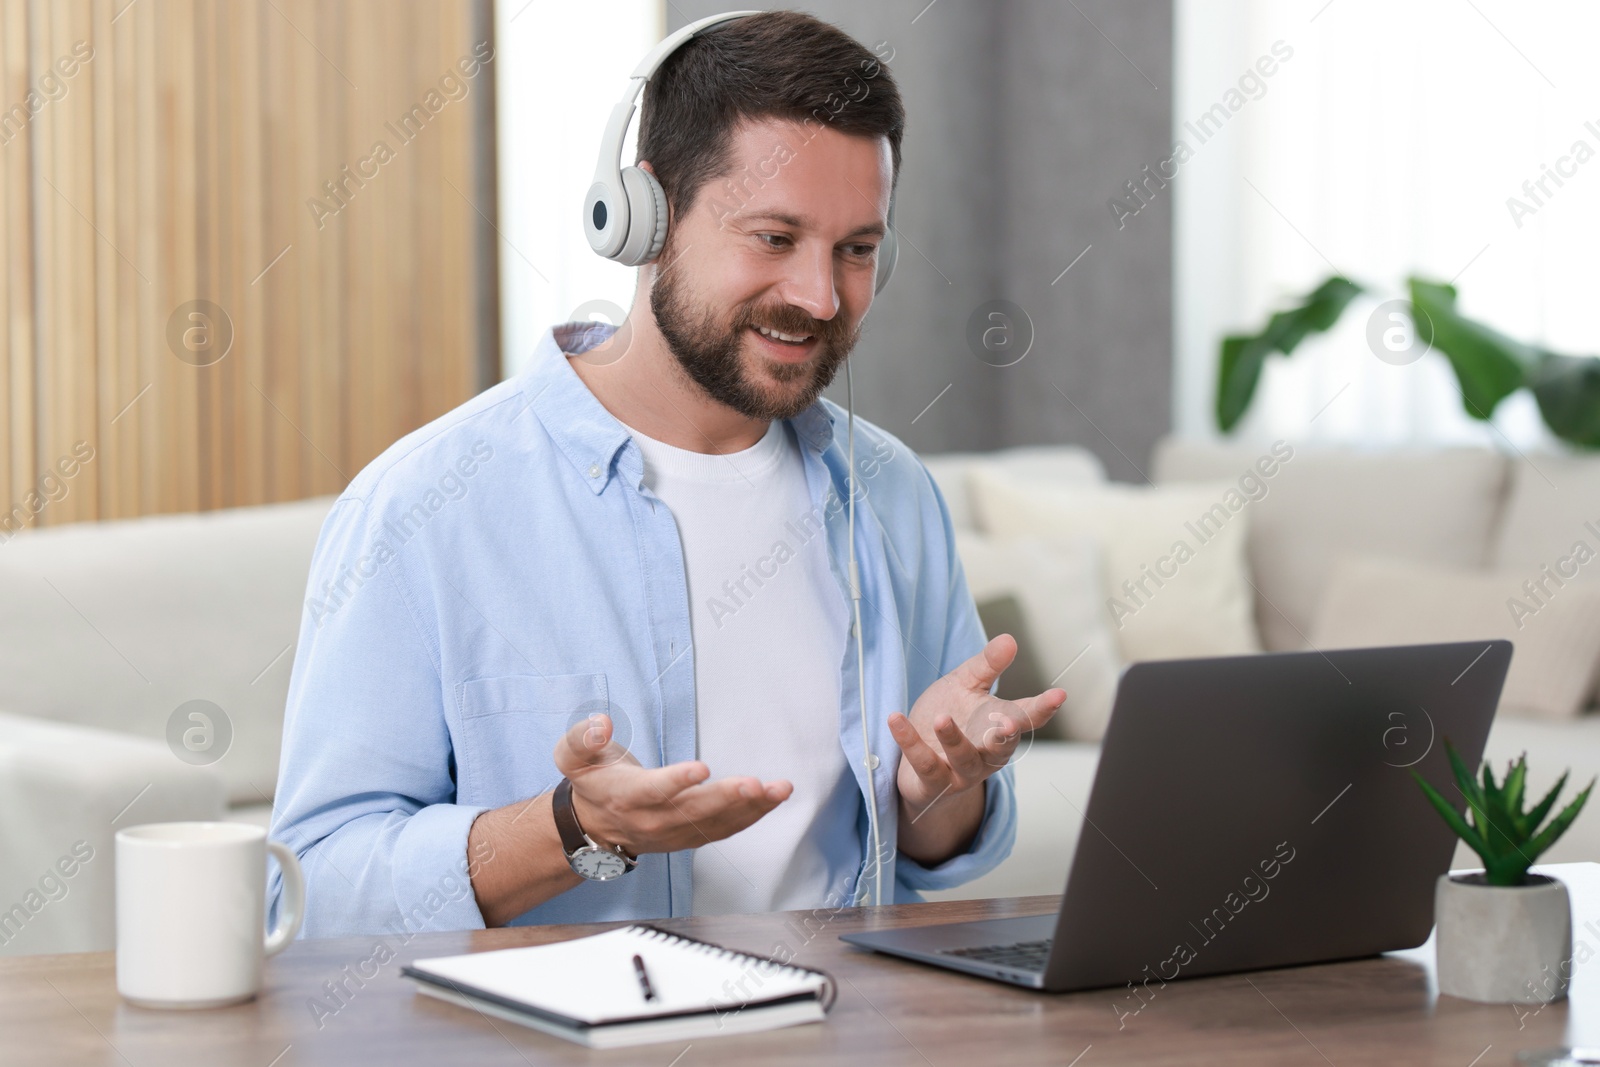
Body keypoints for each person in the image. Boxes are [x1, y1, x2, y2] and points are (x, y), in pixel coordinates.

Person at [269, 10, 1063, 937]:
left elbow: (930, 841)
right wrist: (569, 827)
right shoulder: (424, 505)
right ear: (641, 215)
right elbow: (311, 886)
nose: (819, 295)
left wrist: (938, 785)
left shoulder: (891, 494)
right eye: (773, 237)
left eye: (856, 249)